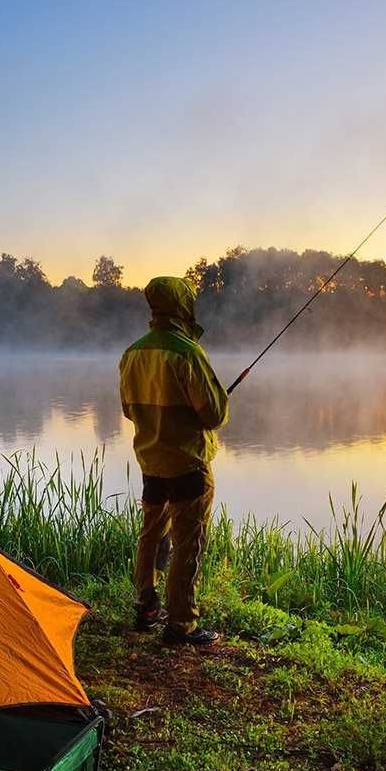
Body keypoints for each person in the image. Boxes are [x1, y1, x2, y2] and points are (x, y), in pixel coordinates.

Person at [118, 275, 229, 646]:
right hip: (188, 464)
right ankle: (182, 624)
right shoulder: (187, 352)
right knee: (187, 543)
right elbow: (213, 414)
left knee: (150, 536)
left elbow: (128, 410)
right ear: (183, 305)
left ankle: (146, 607)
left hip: (150, 461)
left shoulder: (132, 353)